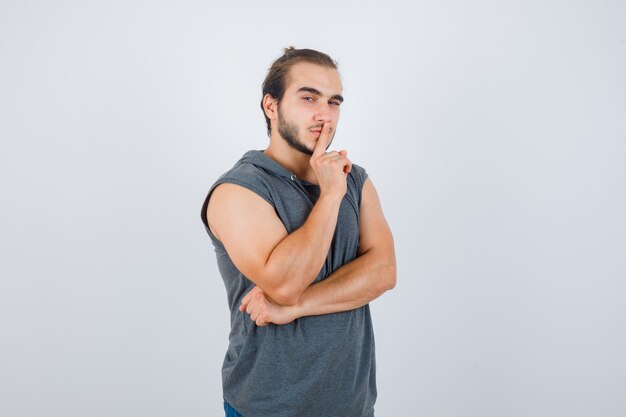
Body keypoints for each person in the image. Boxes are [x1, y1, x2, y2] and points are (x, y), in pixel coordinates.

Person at [200, 47, 396, 417]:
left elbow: (384, 273)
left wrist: (298, 308)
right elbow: (285, 283)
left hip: (352, 405)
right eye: (308, 98)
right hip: (268, 406)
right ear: (270, 106)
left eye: (334, 102)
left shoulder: (355, 179)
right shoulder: (239, 190)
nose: (325, 115)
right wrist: (330, 195)